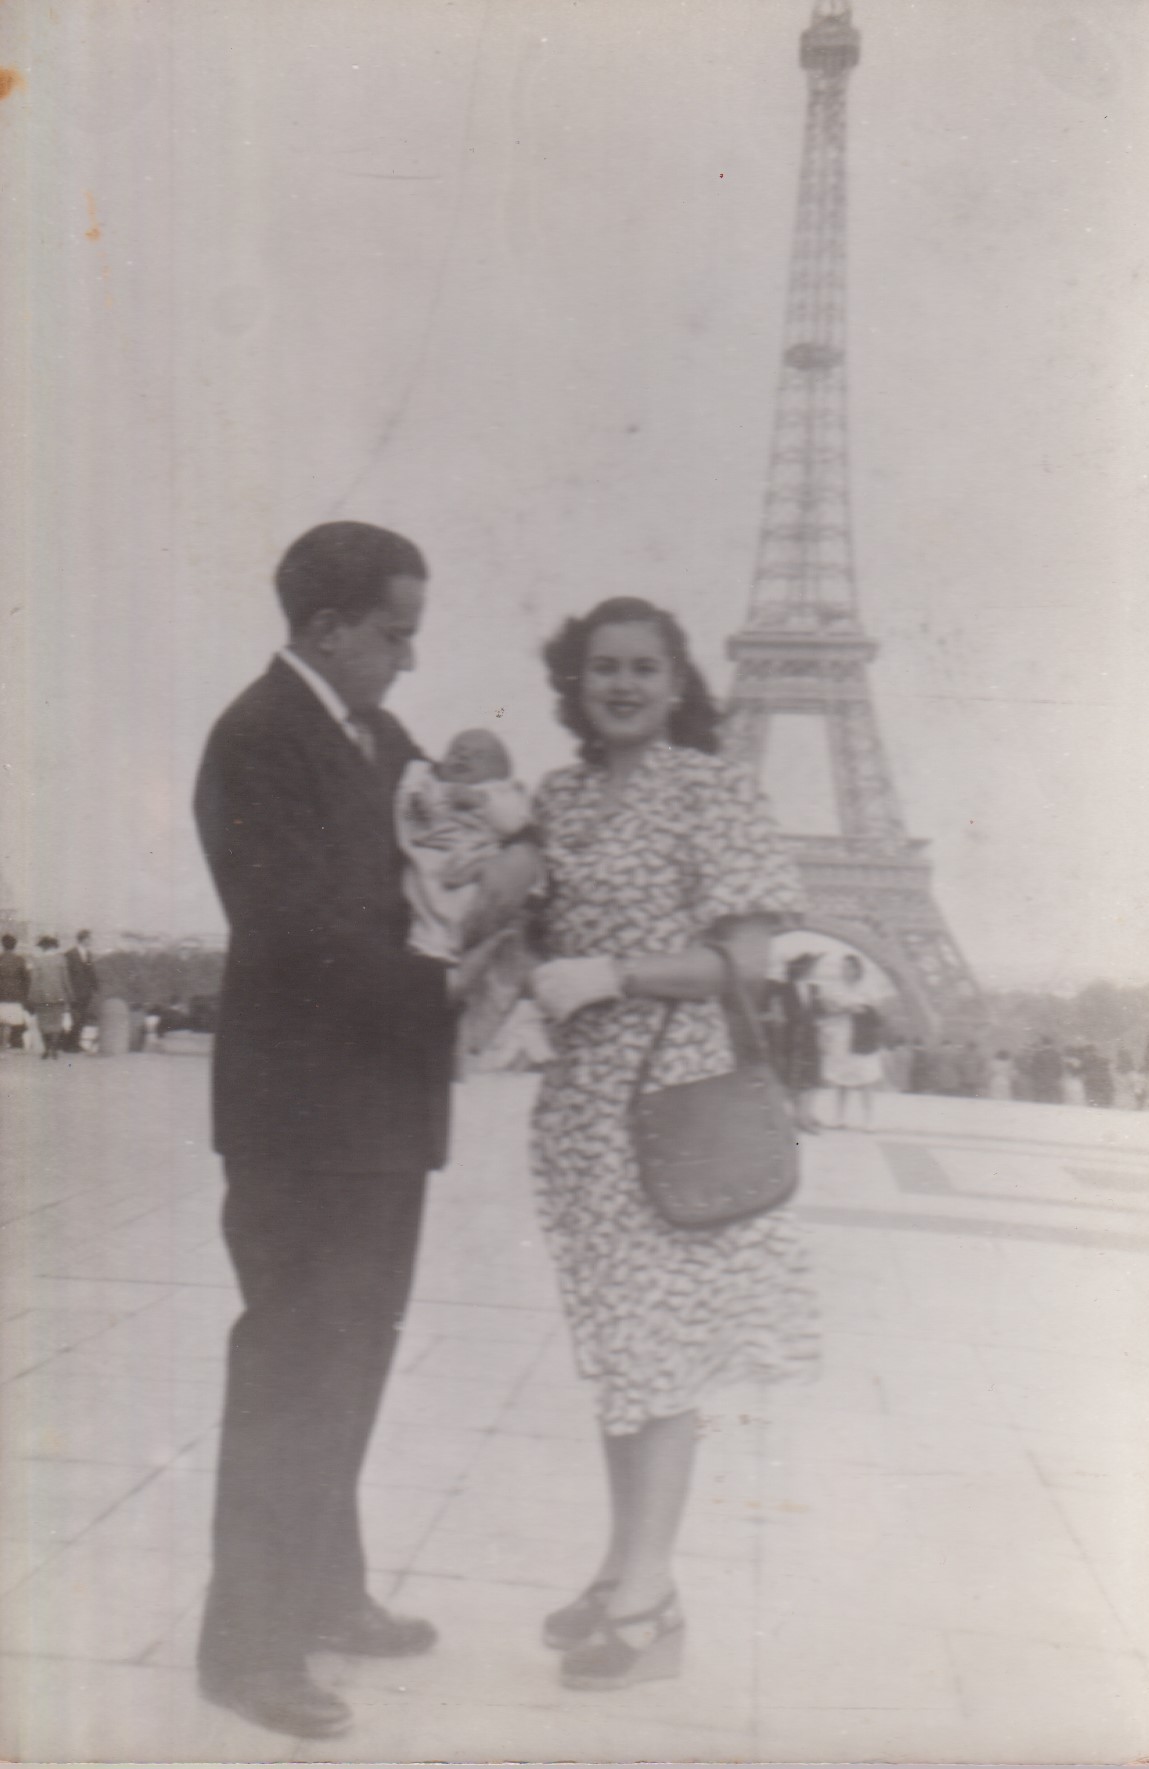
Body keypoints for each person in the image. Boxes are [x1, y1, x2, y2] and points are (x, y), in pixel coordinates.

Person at [192, 521, 534, 1739]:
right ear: (328, 626)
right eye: (397, 633)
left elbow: (457, 839)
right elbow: (296, 935)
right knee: (293, 1367)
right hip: (302, 1119)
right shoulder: (254, 739)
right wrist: (450, 982)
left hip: (381, 1109)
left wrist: (517, 857)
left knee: (353, 1356)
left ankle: (325, 1590)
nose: (410, 658)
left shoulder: (378, 738)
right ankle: (246, 1646)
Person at [528, 597, 817, 1693]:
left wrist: (613, 973)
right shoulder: (558, 798)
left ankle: (649, 1604)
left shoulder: (712, 788)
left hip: (671, 1100)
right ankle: (624, 1569)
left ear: (677, 681)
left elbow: (743, 961)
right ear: (576, 679)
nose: (622, 684)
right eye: (603, 666)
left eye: (644, 667)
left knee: (657, 1350)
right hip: (583, 1112)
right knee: (621, 1349)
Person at [395, 727, 531, 963]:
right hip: (431, 857)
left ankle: (464, 945)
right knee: (422, 891)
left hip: (474, 859)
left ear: (500, 773)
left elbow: (512, 823)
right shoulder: (429, 780)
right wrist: (417, 798)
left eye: (478, 756)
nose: (464, 757)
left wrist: (481, 801)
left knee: (472, 904)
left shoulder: (499, 791)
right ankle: (431, 944)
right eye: (456, 751)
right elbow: (406, 805)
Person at [815, 953, 883, 1129]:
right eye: (843, 967)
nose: (844, 971)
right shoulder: (834, 987)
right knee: (841, 1078)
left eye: (848, 967)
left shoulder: (868, 987)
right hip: (841, 1036)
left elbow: (877, 1014)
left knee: (865, 1078)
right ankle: (839, 1117)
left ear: (857, 969)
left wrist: (861, 1009)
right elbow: (826, 1008)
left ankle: (869, 1119)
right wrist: (844, 1009)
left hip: (862, 1037)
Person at [768, 954, 823, 1131]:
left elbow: (817, 1012)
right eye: (810, 966)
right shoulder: (784, 989)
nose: (812, 970)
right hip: (791, 1038)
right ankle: (799, 1116)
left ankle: (805, 1114)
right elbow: (781, 1013)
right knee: (793, 1077)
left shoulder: (814, 989)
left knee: (811, 1077)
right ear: (800, 968)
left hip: (810, 1038)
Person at [27, 936, 72, 1061]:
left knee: (43, 1023)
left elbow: (34, 982)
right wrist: (70, 995)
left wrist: (31, 997)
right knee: (56, 1023)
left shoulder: (38, 961)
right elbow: (66, 980)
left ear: (42, 947)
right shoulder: (61, 960)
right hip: (58, 996)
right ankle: (54, 1049)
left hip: (42, 997)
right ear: (54, 946)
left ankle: (46, 1049)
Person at [63, 930, 98, 1052]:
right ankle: (70, 1045)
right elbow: (67, 975)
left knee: (82, 1019)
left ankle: (73, 1043)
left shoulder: (88, 954)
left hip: (86, 993)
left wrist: (95, 988)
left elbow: (91, 974)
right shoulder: (69, 954)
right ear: (83, 939)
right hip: (74, 993)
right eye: (89, 939)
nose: (91, 941)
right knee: (76, 1018)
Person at [0, 934, 31, 1053]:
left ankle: (3, 1045)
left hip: (1, 995)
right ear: (15, 945)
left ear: (2, 945)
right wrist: (25, 996)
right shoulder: (20, 960)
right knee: (11, 1022)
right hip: (15, 996)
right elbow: (26, 979)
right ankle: (9, 1045)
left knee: (2, 1022)